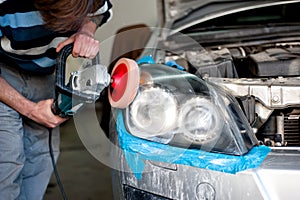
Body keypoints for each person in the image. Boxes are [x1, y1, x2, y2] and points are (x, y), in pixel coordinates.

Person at [0, 0, 112, 199]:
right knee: (6, 162)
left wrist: (85, 31)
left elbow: (100, 11)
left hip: (45, 75)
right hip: (4, 73)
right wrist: (29, 109)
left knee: (39, 161)